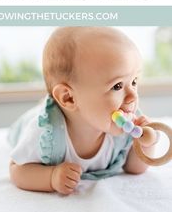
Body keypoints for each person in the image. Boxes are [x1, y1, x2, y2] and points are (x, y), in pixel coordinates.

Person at [9, 27, 158, 195]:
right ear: (69, 98)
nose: (132, 97)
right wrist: (50, 177)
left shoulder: (126, 123)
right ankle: (42, 104)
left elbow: (134, 168)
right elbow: (17, 170)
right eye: (117, 86)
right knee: (29, 119)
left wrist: (146, 144)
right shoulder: (44, 133)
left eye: (134, 81)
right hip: (26, 125)